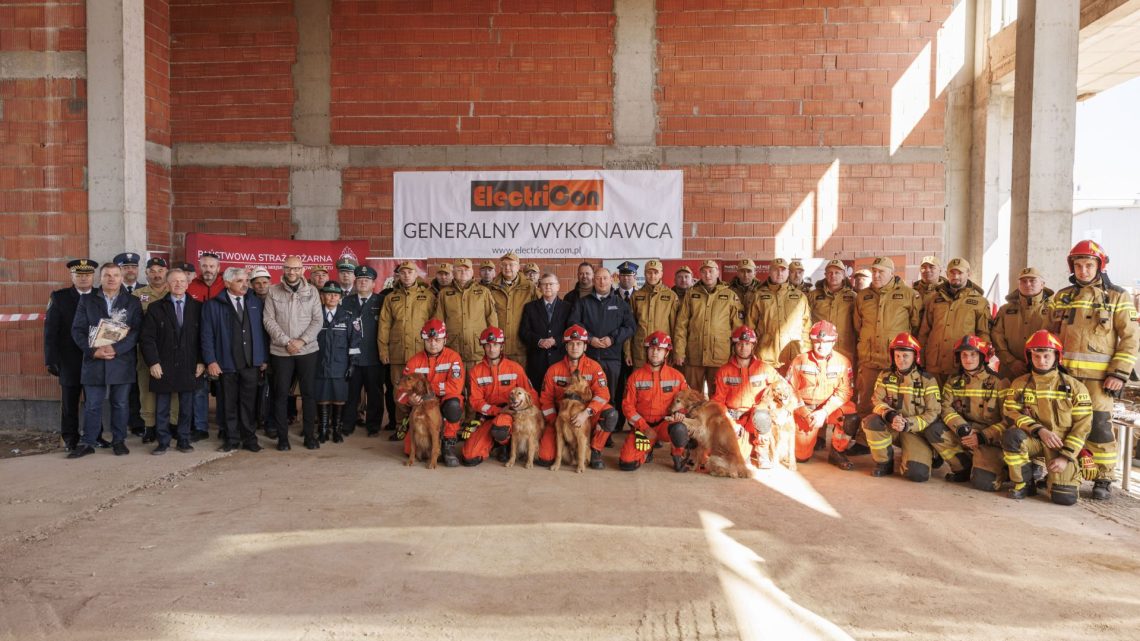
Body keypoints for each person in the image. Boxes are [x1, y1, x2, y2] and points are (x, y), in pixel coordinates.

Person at [1046, 241, 1139, 500]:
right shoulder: (1062, 296)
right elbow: (1050, 336)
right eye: (1078, 265)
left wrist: (1118, 373)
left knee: (1099, 427)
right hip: (1065, 377)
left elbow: (1131, 338)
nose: (1083, 270)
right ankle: (1066, 471)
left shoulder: (1118, 297)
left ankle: (1103, 477)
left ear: (1100, 265)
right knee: (1063, 424)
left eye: (1088, 265)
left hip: (1100, 381)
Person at [1001, 330, 1093, 505]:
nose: (1041, 361)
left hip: (1061, 445)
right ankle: (1024, 483)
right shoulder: (1020, 384)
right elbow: (1011, 413)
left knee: (1064, 498)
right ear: (1029, 357)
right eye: (1036, 356)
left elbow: (1083, 425)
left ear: (1057, 356)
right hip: (1034, 439)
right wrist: (1039, 430)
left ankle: (1056, 479)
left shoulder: (1074, 387)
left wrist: (1066, 456)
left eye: (1046, 356)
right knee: (1011, 436)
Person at [68, 262, 143, 458]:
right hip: (94, 360)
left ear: (121, 277)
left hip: (121, 361)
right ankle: (88, 443)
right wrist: (93, 351)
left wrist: (115, 349)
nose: (111, 279)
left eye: (115, 275)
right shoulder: (87, 300)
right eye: (107, 275)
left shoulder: (132, 302)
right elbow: (77, 330)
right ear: (100, 278)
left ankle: (119, 441)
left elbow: (136, 333)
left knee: (120, 404)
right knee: (92, 404)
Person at [860, 332, 943, 481]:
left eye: (905, 356)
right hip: (893, 425)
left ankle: (927, 453)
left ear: (915, 357)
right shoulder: (885, 376)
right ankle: (884, 462)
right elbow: (876, 401)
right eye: (897, 356)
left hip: (916, 432)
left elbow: (934, 412)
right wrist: (890, 415)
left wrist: (908, 424)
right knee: (871, 422)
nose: (900, 360)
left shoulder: (928, 380)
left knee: (917, 474)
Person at [202, 267, 268, 453]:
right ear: (227, 283)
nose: (245, 284)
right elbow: (206, 336)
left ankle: (249, 439)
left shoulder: (255, 303)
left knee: (249, 404)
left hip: (250, 363)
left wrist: (262, 358)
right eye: (240, 281)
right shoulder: (213, 305)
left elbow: (262, 333)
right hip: (225, 364)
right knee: (228, 404)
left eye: (246, 280)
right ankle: (231, 439)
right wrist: (211, 361)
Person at [535, 325, 620, 469]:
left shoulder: (594, 368)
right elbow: (546, 399)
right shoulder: (553, 370)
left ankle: (595, 451)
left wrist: (586, 414)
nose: (575, 347)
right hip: (560, 417)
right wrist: (556, 421)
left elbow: (603, 395)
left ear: (585, 347)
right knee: (545, 458)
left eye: (579, 344)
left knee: (610, 414)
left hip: (586, 416)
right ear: (566, 346)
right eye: (571, 344)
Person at [262, 255, 324, 451]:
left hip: (307, 350)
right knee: (280, 394)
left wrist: (301, 341)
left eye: (296, 269)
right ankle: (282, 439)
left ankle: (309, 436)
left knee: (309, 394)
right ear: (283, 269)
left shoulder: (312, 291)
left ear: (302, 270)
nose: (292, 272)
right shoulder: (273, 291)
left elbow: (317, 321)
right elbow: (268, 320)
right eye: (288, 268)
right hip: (281, 351)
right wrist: (287, 342)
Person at [931, 336, 1009, 490]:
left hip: (989, 440)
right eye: (964, 355)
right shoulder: (953, 381)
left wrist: (982, 436)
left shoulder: (1000, 382)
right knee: (934, 430)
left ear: (982, 356)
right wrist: (962, 428)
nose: (968, 359)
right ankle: (962, 467)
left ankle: (1005, 470)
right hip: (963, 433)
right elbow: (945, 408)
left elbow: (1009, 420)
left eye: (973, 354)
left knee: (984, 484)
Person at [141, 268, 204, 454]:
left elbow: (204, 337)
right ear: (167, 284)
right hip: (163, 364)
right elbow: (147, 339)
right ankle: (163, 441)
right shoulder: (155, 307)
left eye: (182, 281)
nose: (178, 284)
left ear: (188, 283)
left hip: (190, 364)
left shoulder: (198, 307)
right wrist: (153, 362)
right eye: (174, 281)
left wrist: (202, 361)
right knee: (162, 407)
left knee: (186, 406)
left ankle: (183, 439)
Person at [852, 257, 921, 418]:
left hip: (895, 362)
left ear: (892, 273)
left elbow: (915, 326)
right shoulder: (863, 296)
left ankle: (892, 438)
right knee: (866, 401)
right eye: (874, 271)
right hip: (869, 360)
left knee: (896, 403)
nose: (876, 275)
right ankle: (864, 440)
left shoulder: (909, 295)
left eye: (880, 272)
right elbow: (858, 326)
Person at [568, 267, 635, 433]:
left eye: (605, 278)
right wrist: (589, 339)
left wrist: (612, 338)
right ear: (593, 281)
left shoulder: (620, 304)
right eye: (598, 278)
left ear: (612, 280)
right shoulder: (583, 303)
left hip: (611, 358)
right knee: (585, 395)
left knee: (608, 396)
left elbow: (630, 327)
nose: (602, 281)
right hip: (589, 357)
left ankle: (605, 434)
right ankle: (585, 430)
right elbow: (573, 323)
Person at [44, 258, 101, 451]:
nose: (84, 278)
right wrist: (51, 360)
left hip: (95, 357)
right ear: (72, 276)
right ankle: (70, 437)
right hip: (69, 360)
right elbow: (50, 331)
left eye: (87, 275)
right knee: (70, 401)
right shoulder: (59, 297)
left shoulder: (100, 295)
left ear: (93, 276)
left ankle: (96, 435)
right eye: (79, 275)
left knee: (94, 400)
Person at [711, 325, 787, 469]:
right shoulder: (724, 371)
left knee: (762, 416)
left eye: (747, 344)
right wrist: (731, 423)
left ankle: (762, 452)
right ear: (734, 346)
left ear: (753, 346)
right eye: (739, 344)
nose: (743, 348)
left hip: (755, 417)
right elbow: (718, 401)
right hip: (734, 419)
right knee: (736, 458)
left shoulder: (764, 368)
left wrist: (780, 409)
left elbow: (783, 388)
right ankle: (746, 447)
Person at [785, 321, 858, 468]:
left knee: (851, 415)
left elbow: (845, 391)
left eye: (825, 341)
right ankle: (808, 442)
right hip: (807, 410)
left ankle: (837, 452)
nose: (821, 345)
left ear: (834, 341)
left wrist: (824, 412)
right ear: (811, 341)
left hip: (828, 409)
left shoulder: (843, 362)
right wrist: (805, 413)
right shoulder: (799, 360)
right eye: (817, 341)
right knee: (801, 457)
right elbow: (790, 390)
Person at [460, 326, 536, 466]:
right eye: (488, 345)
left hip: (511, 416)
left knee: (501, 426)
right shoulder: (476, 372)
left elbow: (530, 394)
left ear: (501, 346)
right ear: (483, 347)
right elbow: (476, 402)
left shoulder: (515, 368)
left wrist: (525, 413)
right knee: (469, 457)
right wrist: (497, 411)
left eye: (495, 345)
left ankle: (505, 446)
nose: (491, 349)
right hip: (488, 416)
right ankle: (494, 443)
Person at [378, 261, 437, 440]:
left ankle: (426, 425)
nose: (406, 275)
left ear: (416, 274)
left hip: (421, 353)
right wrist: (383, 350)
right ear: (398, 275)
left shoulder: (428, 296)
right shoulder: (391, 298)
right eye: (402, 272)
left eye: (409, 272)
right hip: (397, 353)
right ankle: (401, 426)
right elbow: (384, 325)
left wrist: (433, 350)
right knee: (400, 392)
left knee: (423, 391)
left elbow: (435, 324)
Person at [618, 331, 690, 472]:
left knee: (679, 429)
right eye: (651, 349)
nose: (655, 353)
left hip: (666, 424)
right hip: (644, 427)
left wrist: (681, 413)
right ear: (647, 351)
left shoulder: (677, 377)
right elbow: (627, 407)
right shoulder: (635, 377)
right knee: (627, 464)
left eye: (659, 350)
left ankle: (678, 456)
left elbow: (687, 401)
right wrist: (643, 427)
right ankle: (647, 450)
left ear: (666, 353)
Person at [399, 319, 466, 467]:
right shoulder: (415, 361)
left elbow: (455, 387)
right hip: (422, 405)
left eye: (437, 340)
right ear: (423, 340)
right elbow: (401, 391)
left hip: (444, 402)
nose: (433, 343)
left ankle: (448, 444)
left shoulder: (453, 358)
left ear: (445, 339)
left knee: (454, 405)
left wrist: (427, 388)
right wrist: (410, 399)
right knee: (409, 450)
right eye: (429, 340)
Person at [673, 259, 743, 396]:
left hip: (720, 356)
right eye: (704, 272)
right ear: (699, 274)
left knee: (718, 396)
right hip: (694, 355)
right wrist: (679, 351)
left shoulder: (730, 295)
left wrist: (737, 354)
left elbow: (737, 329)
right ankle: (692, 418)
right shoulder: (691, 295)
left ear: (718, 273)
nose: (708, 275)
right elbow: (681, 326)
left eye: (711, 271)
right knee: (692, 396)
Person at [917, 258, 991, 383]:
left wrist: (981, 363)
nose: (955, 276)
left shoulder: (979, 302)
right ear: (946, 274)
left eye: (960, 273)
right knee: (931, 401)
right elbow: (924, 332)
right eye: (952, 273)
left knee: (957, 402)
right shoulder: (935, 299)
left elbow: (983, 334)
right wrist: (920, 360)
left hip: (961, 366)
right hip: (934, 365)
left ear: (968, 273)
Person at [313, 282, 361, 445]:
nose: (332, 297)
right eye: (328, 294)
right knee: (322, 397)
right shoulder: (315, 315)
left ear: (340, 297)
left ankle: (337, 430)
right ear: (322, 296)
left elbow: (354, 342)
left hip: (340, 365)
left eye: (335, 294)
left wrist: (352, 364)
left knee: (339, 398)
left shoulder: (348, 316)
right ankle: (323, 430)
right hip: (319, 364)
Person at [341, 265, 385, 437]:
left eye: (367, 280)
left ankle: (373, 425)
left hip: (374, 356)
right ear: (355, 281)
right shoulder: (345, 302)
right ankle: (348, 423)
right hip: (352, 357)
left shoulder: (381, 301)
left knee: (374, 393)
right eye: (359, 279)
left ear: (374, 284)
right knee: (351, 393)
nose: (363, 282)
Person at [132, 257, 172, 443]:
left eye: (160, 270)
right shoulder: (137, 295)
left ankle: (172, 423)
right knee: (146, 388)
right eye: (152, 270)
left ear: (167, 272)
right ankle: (150, 426)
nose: (157, 274)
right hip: (146, 350)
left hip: (173, 349)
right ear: (146, 273)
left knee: (173, 387)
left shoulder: (175, 291)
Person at [435, 257, 498, 374]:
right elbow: (439, 322)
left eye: (466, 270)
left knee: (478, 387)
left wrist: (493, 345)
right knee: (454, 388)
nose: (463, 273)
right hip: (453, 348)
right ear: (453, 272)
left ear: (472, 272)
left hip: (478, 348)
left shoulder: (483, 292)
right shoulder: (444, 294)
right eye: (459, 270)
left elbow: (492, 318)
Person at [747, 257, 811, 371]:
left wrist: (806, 353)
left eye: (783, 270)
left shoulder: (800, 297)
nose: (779, 273)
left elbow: (806, 328)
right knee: (767, 389)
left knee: (792, 389)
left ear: (788, 272)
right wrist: (750, 351)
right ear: (769, 272)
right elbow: (750, 327)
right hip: (766, 356)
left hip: (793, 356)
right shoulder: (759, 296)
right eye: (775, 270)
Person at [187, 252, 225, 441]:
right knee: (199, 388)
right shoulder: (191, 286)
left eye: (212, 266)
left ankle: (223, 426)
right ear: (199, 267)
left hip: (223, 343)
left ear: (218, 268)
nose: (208, 269)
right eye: (204, 266)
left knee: (224, 389)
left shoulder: (226, 284)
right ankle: (200, 427)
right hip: (197, 343)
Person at [991, 267, 1052, 381]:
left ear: (1042, 284)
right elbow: (996, 337)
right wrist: (1011, 362)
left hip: (1044, 369)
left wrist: (1042, 361)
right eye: (1023, 281)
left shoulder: (1054, 308)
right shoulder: (1005, 310)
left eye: (1032, 280)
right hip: (1009, 371)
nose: (1028, 284)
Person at [519, 272, 571, 390]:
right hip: (537, 362)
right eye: (544, 284)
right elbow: (524, 332)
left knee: (559, 396)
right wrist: (539, 341)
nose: (548, 287)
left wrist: (556, 340)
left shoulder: (568, 307)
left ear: (558, 286)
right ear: (539, 286)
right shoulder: (530, 307)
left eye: (551, 284)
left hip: (560, 360)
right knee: (537, 396)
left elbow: (570, 331)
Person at [626, 259, 681, 371]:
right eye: (649, 273)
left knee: (661, 384)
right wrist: (627, 352)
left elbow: (676, 328)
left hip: (662, 350)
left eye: (656, 273)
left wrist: (675, 352)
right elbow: (629, 327)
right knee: (640, 384)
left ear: (661, 274)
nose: (652, 276)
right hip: (640, 350)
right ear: (644, 274)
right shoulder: (636, 296)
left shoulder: (671, 296)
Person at [489, 252, 538, 367]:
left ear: (518, 267)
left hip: (521, 348)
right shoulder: (491, 288)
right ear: (500, 267)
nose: (507, 268)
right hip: (498, 348)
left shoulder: (529, 287)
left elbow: (538, 313)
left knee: (520, 382)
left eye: (511, 264)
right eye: (504, 265)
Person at [115, 252, 145, 435]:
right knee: (121, 388)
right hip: (118, 348)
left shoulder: (146, 290)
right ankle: (120, 425)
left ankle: (137, 423)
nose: (130, 270)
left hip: (140, 347)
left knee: (138, 386)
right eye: (126, 267)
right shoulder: (110, 290)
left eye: (133, 267)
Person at [808, 259, 858, 369]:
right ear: (825, 275)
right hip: (820, 348)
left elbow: (858, 324)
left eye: (837, 272)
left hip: (845, 348)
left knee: (843, 382)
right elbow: (806, 321)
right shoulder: (813, 295)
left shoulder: (853, 297)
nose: (833, 275)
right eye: (830, 272)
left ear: (844, 275)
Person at [248, 266, 276, 438]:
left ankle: (270, 423)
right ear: (251, 285)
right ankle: (253, 421)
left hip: (277, 352)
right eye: (257, 283)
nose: (261, 286)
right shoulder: (247, 301)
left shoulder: (277, 299)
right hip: (255, 353)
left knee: (273, 390)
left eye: (264, 282)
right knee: (253, 390)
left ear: (270, 283)